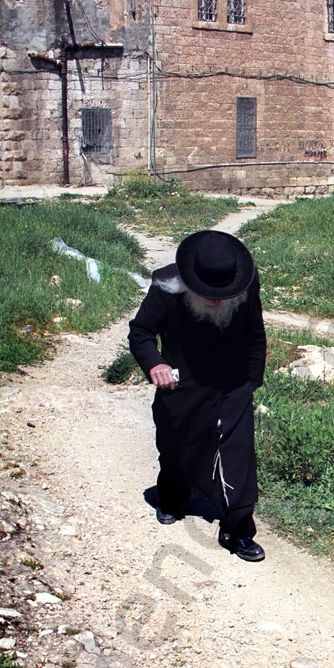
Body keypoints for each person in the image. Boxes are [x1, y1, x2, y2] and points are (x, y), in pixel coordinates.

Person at [128, 230, 267, 562]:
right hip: (182, 383)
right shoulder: (166, 288)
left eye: (223, 292)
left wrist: (252, 380)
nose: (217, 299)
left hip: (232, 381)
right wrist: (155, 364)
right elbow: (141, 331)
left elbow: (254, 331)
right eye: (209, 293)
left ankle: (238, 529)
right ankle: (172, 496)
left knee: (238, 454)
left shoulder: (245, 283)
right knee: (178, 447)